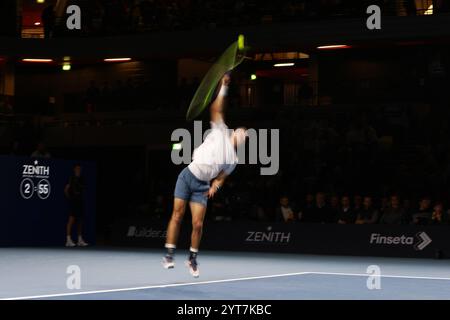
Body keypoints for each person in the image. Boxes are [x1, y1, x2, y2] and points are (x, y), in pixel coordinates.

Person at [162, 74, 247, 277]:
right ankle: (169, 254)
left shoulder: (233, 161)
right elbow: (216, 109)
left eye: (245, 137)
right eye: (242, 132)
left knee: (198, 224)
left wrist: (215, 186)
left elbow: (221, 177)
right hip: (187, 175)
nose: (243, 136)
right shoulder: (221, 130)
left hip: (202, 186)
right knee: (177, 215)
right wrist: (224, 87)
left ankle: (192, 259)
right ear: (234, 132)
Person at [64, 164, 89, 247]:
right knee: (71, 220)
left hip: (80, 201)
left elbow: (83, 189)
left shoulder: (82, 179)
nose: (78, 170)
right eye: (77, 168)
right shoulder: (71, 178)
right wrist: (70, 198)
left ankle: (79, 240)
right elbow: (66, 190)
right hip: (73, 201)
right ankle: (68, 240)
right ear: (74, 169)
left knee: (80, 220)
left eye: (79, 169)